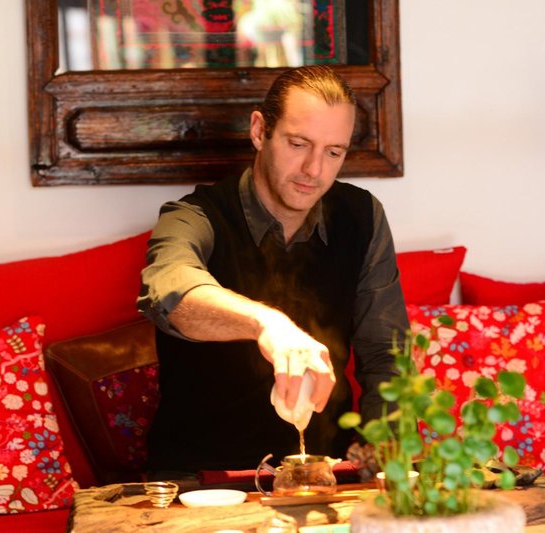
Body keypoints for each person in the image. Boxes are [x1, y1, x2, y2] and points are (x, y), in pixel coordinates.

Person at [138, 65, 408, 478]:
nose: (314, 170)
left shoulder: (362, 216)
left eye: (334, 152)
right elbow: (170, 297)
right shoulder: (193, 215)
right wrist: (267, 324)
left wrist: (384, 469)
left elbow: (385, 356)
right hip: (204, 478)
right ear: (260, 131)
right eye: (298, 144)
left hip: (327, 471)